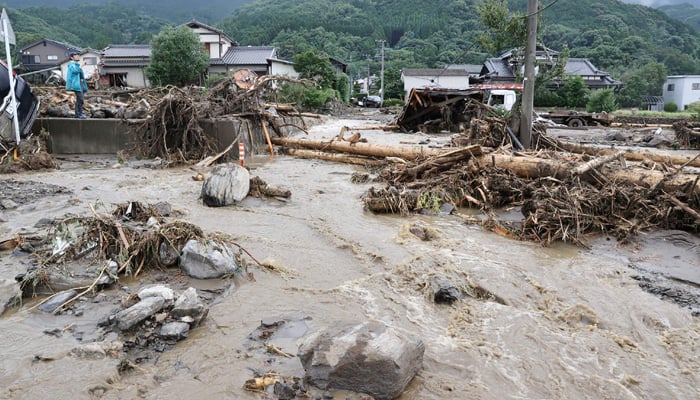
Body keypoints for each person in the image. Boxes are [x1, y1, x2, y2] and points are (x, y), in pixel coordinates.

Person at [65, 51, 88, 118]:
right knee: (80, 99)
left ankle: (78, 114)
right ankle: (79, 114)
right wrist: (82, 65)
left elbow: (80, 75)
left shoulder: (75, 64)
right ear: (72, 57)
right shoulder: (71, 64)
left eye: (78, 55)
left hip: (79, 84)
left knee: (79, 99)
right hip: (75, 84)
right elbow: (75, 71)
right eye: (76, 55)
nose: (78, 56)